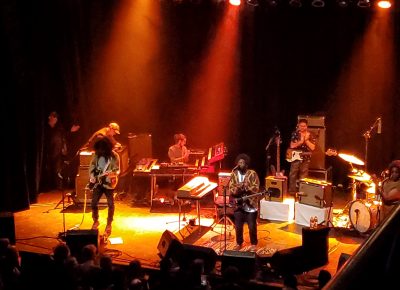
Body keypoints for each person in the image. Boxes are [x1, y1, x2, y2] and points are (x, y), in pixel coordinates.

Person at [89, 138, 120, 237]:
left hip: (109, 184)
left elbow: (117, 170)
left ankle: (109, 223)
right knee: (93, 203)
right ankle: (96, 220)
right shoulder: (96, 155)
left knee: (110, 204)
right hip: (98, 184)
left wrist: (112, 174)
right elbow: (92, 167)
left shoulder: (115, 156)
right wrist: (92, 176)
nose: (100, 151)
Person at [228, 153, 260, 251]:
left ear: (246, 164)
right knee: (238, 226)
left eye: (242, 162)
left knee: (251, 226)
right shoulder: (234, 174)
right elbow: (231, 188)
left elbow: (256, 187)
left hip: (250, 205)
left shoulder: (252, 173)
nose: (240, 164)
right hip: (238, 204)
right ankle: (239, 243)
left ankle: (253, 244)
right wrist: (237, 189)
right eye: (239, 162)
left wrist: (246, 187)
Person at [41, 111, 68, 191]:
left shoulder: (59, 128)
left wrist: (64, 148)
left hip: (57, 151)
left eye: (52, 117)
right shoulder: (46, 128)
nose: (49, 118)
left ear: (55, 118)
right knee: (48, 169)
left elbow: (63, 138)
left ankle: (58, 187)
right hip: (49, 151)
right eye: (49, 116)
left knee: (57, 169)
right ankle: (48, 187)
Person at [288, 118, 316, 193]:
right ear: (298, 126)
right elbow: (292, 145)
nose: (302, 127)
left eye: (304, 126)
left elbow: (313, 147)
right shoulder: (295, 134)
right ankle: (292, 192)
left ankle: (302, 193)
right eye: (301, 126)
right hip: (296, 157)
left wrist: (306, 141)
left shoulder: (310, 134)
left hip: (305, 158)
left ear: (307, 126)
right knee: (292, 175)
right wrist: (300, 142)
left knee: (303, 176)